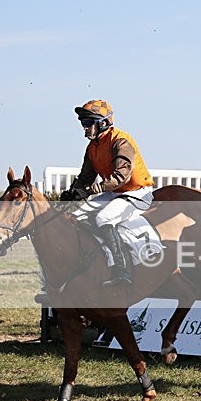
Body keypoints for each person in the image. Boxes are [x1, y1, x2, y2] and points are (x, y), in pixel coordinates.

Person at [60, 99, 154, 287]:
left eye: (88, 122)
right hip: (115, 193)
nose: (85, 127)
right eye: (83, 123)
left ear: (103, 123)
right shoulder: (92, 147)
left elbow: (122, 176)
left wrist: (95, 189)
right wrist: (72, 192)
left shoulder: (121, 141)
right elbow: (85, 177)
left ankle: (122, 271)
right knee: (76, 217)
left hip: (137, 193)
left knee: (104, 218)